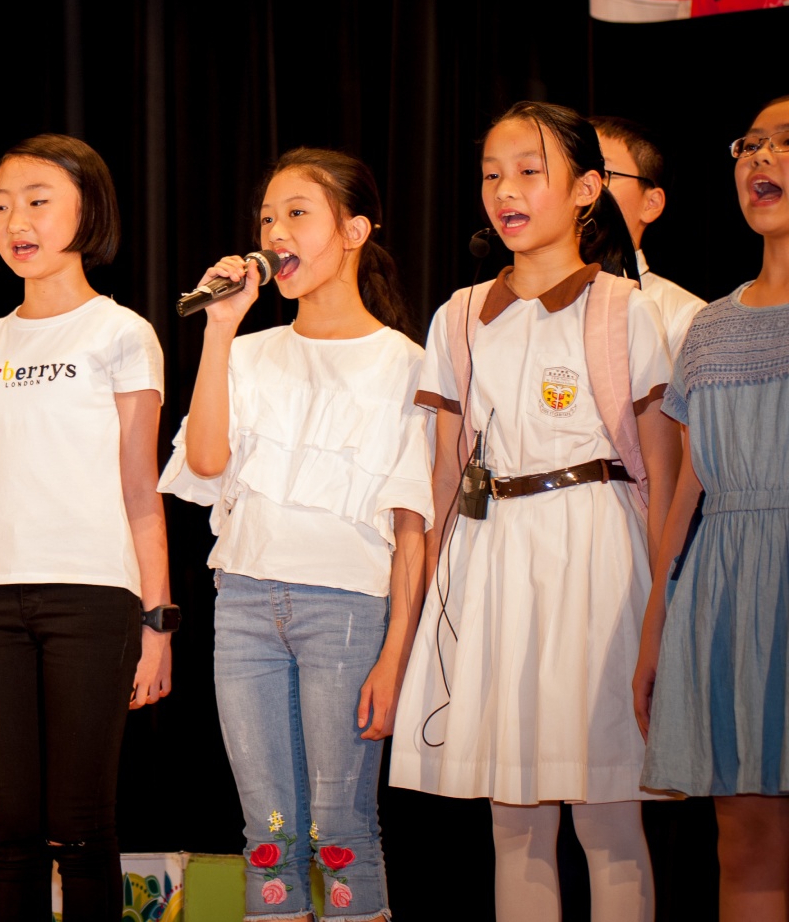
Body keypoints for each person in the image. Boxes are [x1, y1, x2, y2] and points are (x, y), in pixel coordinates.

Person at [391, 102, 682, 921]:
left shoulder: (626, 308)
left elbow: (664, 479)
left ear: (587, 189)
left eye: (529, 171)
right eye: (492, 174)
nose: (505, 191)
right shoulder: (460, 313)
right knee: (513, 822)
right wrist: (421, 617)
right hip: (491, 563)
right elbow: (444, 476)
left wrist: (662, 613)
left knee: (608, 816)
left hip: (597, 560)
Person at [162, 149, 431, 922]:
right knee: (268, 837)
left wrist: (395, 657)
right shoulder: (249, 352)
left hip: (346, 612)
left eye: (297, 214)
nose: (276, 232)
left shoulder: (405, 364)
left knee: (341, 834)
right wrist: (220, 328)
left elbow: (413, 533)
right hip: (245, 605)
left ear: (355, 230)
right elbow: (205, 461)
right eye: (267, 218)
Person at [0, 134, 169, 921]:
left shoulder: (121, 332)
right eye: (2, 205)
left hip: (93, 595)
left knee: (80, 825)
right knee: (11, 828)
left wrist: (157, 624)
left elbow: (141, 489)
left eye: (38, 201)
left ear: (88, 211)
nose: (18, 221)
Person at [636, 94, 789, 921]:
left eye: (786, 143)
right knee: (748, 843)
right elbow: (687, 492)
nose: (761, 158)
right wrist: (656, 625)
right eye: (750, 144)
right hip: (728, 591)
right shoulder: (710, 328)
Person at [593, 114, 708, 358]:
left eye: (602, 174)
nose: (584, 187)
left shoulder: (685, 315)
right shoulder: (524, 297)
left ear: (651, 203)